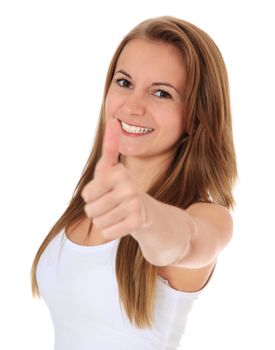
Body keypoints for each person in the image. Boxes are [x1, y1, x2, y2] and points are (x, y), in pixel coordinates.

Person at [31, 15, 238, 350]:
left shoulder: (208, 217)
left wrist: (143, 214)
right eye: (124, 83)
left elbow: (182, 242)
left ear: (197, 115)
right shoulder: (87, 206)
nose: (132, 106)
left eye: (161, 93)